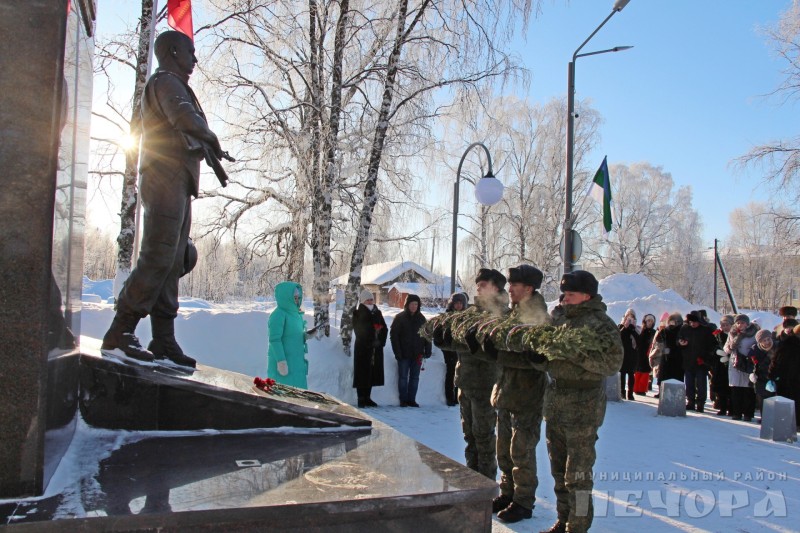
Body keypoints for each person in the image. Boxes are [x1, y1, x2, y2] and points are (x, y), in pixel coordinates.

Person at [101, 31, 225, 367]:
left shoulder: (174, 82)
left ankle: (164, 339)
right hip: (164, 176)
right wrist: (210, 136)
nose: (194, 59)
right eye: (190, 51)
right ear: (172, 52)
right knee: (158, 255)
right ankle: (120, 330)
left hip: (178, 180)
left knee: (173, 260)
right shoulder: (166, 81)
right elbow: (183, 116)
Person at [528, 270, 623, 533]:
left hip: (583, 407)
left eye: (570, 294)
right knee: (559, 473)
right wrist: (540, 358)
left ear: (586, 295)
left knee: (578, 477)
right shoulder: (559, 320)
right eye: (564, 294)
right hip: (556, 404)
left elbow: (612, 363)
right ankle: (563, 519)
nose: (565, 299)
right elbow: (550, 354)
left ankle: (577, 527)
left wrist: (574, 354)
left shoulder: (601, 324)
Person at [435, 268, 507, 479]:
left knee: (484, 436)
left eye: (483, 285)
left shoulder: (502, 314)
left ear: (495, 288)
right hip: (466, 381)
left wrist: (479, 344)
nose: (478, 288)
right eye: (478, 285)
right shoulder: (471, 313)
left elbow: (498, 350)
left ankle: (485, 482)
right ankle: (472, 478)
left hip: (486, 384)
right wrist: (445, 340)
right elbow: (460, 342)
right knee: (470, 436)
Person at [491, 265, 550, 523]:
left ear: (528, 289)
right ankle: (507, 493)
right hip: (506, 392)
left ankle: (523, 502)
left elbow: (534, 358)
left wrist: (500, 351)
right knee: (503, 449)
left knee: (521, 452)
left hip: (526, 396)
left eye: (514, 285)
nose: (510, 289)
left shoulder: (538, 316)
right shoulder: (513, 313)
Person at [267, 281, 315, 389]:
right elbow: (274, 340)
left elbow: (292, 335)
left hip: (296, 362)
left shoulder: (296, 314)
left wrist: (306, 335)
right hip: (284, 365)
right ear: (286, 297)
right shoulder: (278, 315)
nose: (297, 300)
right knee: (283, 396)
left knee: (298, 394)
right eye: (294, 297)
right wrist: (281, 361)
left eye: (298, 297)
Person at [390, 294, 431, 407]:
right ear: (407, 305)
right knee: (403, 377)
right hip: (403, 354)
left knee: (415, 378)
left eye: (416, 304)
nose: (414, 306)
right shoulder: (399, 318)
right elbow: (394, 336)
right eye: (412, 304)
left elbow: (427, 335)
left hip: (417, 354)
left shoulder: (422, 319)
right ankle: (403, 399)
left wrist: (428, 350)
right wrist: (397, 352)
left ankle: (411, 399)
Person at [352, 289, 387, 408]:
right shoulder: (358, 313)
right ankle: (361, 398)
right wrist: (371, 339)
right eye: (368, 300)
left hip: (376, 348)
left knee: (372, 373)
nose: (370, 301)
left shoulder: (377, 312)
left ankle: (368, 397)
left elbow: (384, 328)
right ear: (363, 301)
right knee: (362, 372)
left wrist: (380, 340)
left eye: (371, 299)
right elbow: (359, 331)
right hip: (363, 348)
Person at [678, 312, 715, 412]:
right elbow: (679, 340)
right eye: (691, 322)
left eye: (695, 322)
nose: (692, 324)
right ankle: (690, 401)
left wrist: (705, 358)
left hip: (701, 362)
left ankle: (700, 404)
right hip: (688, 361)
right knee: (689, 383)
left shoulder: (706, 330)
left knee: (701, 384)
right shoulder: (685, 329)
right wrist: (681, 343)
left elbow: (711, 346)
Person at [724, 314, 758, 422]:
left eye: (742, 323)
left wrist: (750, 352)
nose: (740, 325)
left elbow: (757, 346)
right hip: (735, 363)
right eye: (738, 323)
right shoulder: (732, 333)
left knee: (748, 389)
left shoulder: (753, 333)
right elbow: (726, 347)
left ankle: (748, 413)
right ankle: (737, 412)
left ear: (747, 324)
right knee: (736, 389)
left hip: (747, 363)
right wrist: (729, 347)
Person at [768, 333, 800, 430]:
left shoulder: (785, 343)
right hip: (786, 379)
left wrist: (772, 374)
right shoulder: (786, 344)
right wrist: (772, 374)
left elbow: (775, 360)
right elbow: (776, 360)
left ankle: (790, 424)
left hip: (787, 379)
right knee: (787, 401)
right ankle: (787, 424)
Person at [441, 292, 468, 407]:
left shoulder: (466, 317)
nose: (458, 305)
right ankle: (449, 397)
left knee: (461, 374)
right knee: (451, 374)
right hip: (450, 350)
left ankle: (458, 396)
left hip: (462, 351)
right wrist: (447, 349)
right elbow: (441, 336)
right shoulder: (447, 317)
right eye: (456, 303)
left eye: (460, 303)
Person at [749, 329, 776, 420]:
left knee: (773, 399)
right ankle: (765, 418)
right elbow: (749, 363)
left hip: (774, 377)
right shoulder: (755, 350)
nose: (767, 342)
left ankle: (773, 419)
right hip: (760, 378)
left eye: (768, 339)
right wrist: (752, 373)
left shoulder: (777, 347)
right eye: (764, 340)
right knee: (762, 399)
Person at [711, 315, 734, 416]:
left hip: (732, 364)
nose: (725, 327)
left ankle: (732, 408)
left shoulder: (735, 335)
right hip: (720, 364)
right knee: (721, 388)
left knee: (732, 389)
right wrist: (717, 351)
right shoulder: (718, 335)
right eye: (723, 325)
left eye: (727, 325)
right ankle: (722, 407)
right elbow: (712, 346)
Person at [618, 308, 640, 400]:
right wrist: (625, 328)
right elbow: (619, 337)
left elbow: (639, 341)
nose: (630, 319)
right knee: (622, 374)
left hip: (632, 355)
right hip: (623, 354)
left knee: (631, 375)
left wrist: (633, 330)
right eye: (628, 317)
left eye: (632, 317)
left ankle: (630, 393)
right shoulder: (620, 326)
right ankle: (622, 392)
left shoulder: (637, 328)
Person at [634, 314, 656, 396]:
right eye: (648, 321)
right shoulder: (641, 330)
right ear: (645, 322)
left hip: (648, 354)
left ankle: (642, 389)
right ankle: (636, 388)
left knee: (645, 373)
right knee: (638, 372)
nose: (650, 323)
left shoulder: (654, 332)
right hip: (639, 354)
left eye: (651, 321)